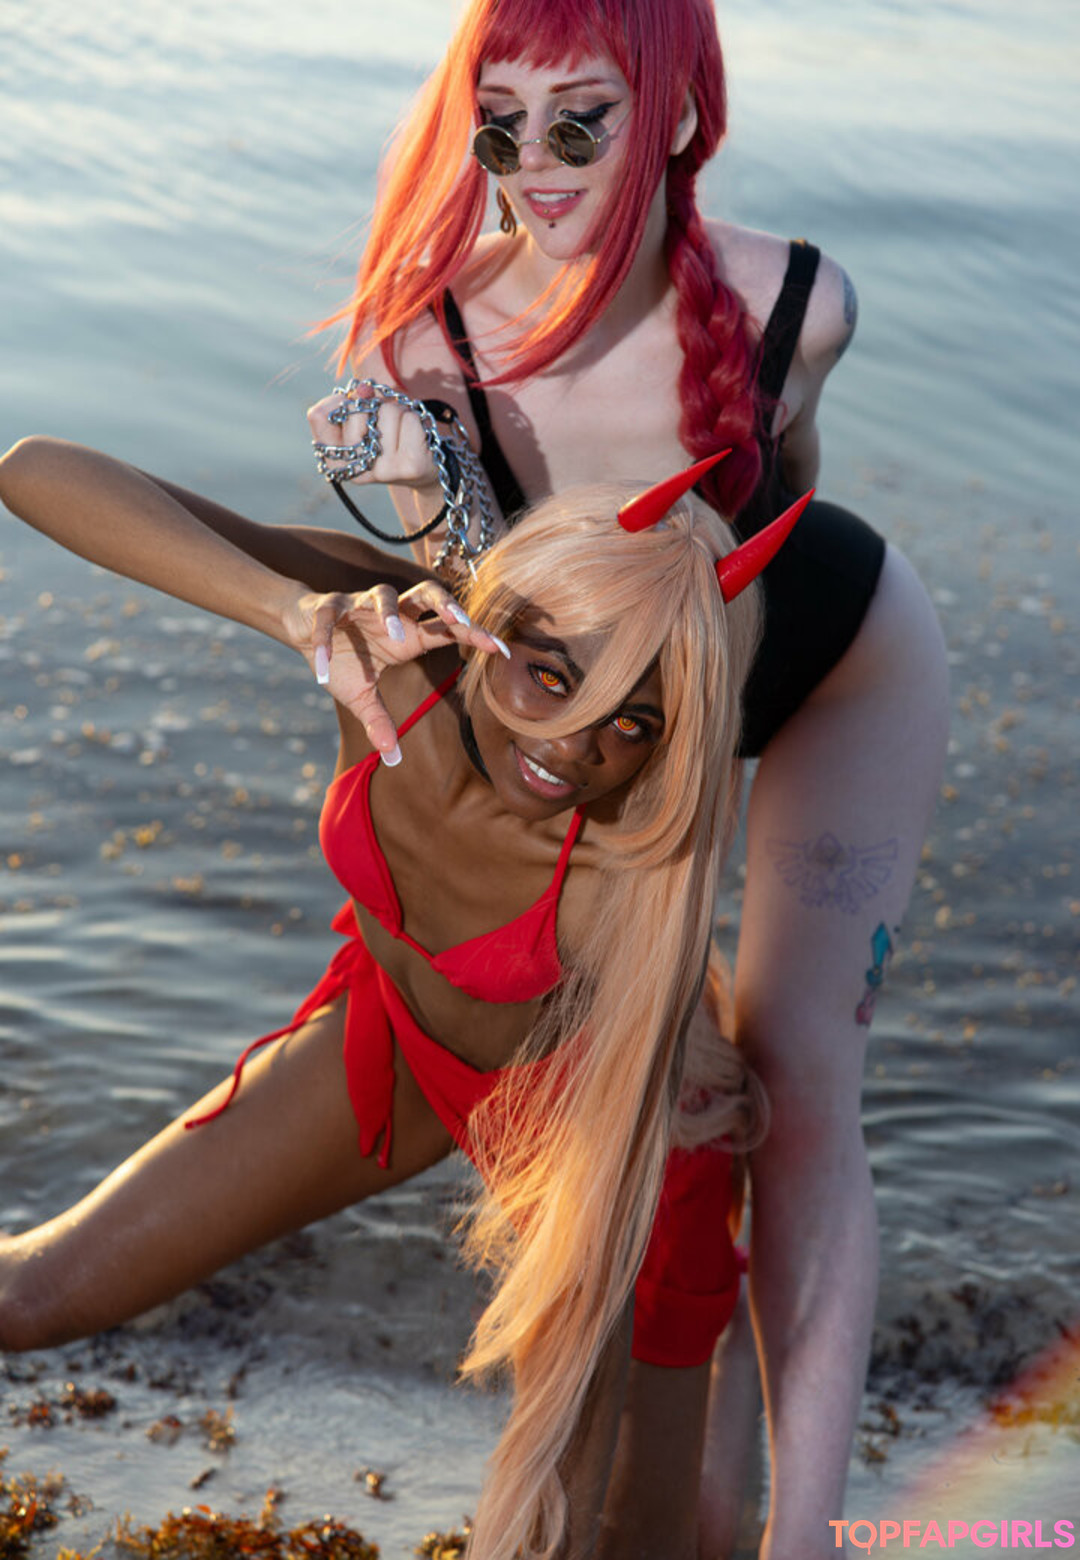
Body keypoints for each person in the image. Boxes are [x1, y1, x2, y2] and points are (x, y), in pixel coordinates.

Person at [300, 1, 951, 1554]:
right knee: (642, 1084)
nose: (534, 163)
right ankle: (666, 1468)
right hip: (599, 713)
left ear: (677, 116)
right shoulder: (426, 340)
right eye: (500, 123)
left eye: (581, 118)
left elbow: (788, 505)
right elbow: (492, 654)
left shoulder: (801, 301)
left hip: (833, 659)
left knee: (799, 1075)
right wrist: (421, 504)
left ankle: (804, 1536)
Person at [0, 436, 798, 1560]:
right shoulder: (395, 658)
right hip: (394, 1039)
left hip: (605, 1131)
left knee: (624, 1543)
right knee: (29, 1301)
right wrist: (295, 613)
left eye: (635, 724)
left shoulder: (624, 883)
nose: (573, 746)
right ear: (491, 616)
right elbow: (33, 471)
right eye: (551, 673)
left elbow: (583, 1335)